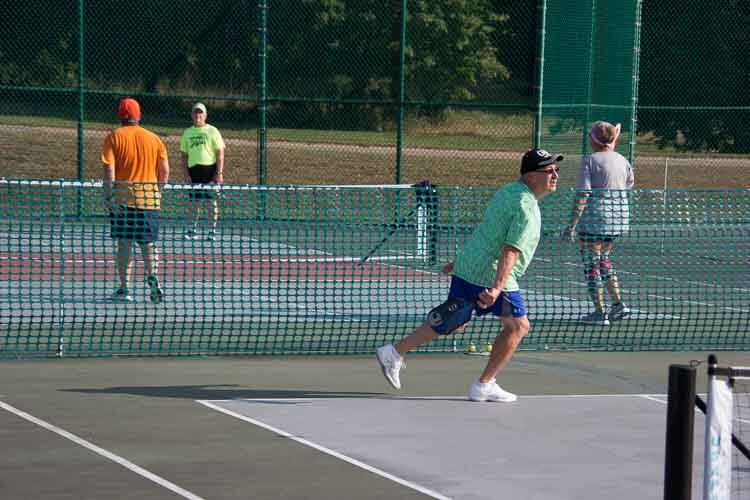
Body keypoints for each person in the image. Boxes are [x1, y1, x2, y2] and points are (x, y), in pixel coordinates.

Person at [375, 148, 562, 402]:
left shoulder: (507, 191)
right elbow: (510, 251)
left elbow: (489, 230)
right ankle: (485, 384)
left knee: (456, 319)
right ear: (530, 176)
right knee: (518, 326)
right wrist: (497, 287)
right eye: (548, 170)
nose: (555, 175)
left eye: (556, 170)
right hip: (490, 274)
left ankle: (394, 352)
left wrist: (461, 260)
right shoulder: (526, 208)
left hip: (470, 265)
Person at [563, 121, 634, 326]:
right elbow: (629, 184)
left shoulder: (590, 161)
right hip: (618, 219)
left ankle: (600, 313)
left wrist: (572, 225)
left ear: (593, 140)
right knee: (603, 259)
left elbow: (583, 193)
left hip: (596, 219)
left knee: (591, 263)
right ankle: (618, 304)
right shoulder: (622, 160)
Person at [102, 97, 170, 304]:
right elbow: (165, 171)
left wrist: (109, 197)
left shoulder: (114, 137)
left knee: (125, 244)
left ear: (120, 116)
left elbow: (108, 169)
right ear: (138, 115)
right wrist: (156, 192)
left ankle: (125, 289)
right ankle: (153, 276)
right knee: (148, 243)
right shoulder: (155, 138)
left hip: (123, 202)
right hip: (149, 201)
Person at [180, 102, 226, 241]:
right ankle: (191, 230)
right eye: (195, 112)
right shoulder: (187, 133)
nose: (197, 115)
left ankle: (212, 231)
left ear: (205, 115)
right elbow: (184, 156)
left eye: (200, 113)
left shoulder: (213, 131)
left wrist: (219, 173)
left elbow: (220, 153)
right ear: (192, 115)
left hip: (209, 171)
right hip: (194, 172)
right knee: (194, 203)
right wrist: (186, 175)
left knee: (211, 203)